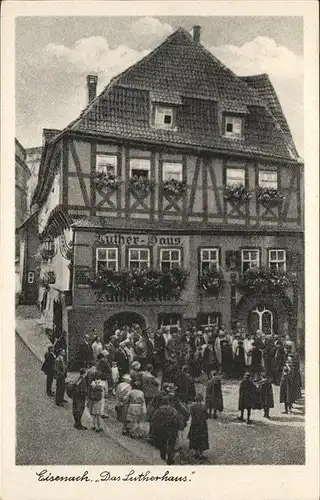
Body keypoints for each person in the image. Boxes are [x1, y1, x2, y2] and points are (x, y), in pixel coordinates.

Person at [149, 394, 180, 465]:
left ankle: (163, 455)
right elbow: (176, 420)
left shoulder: (159, 410)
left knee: (162, 442)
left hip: (162, 429)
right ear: (169, 402)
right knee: (171, 444)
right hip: (172, 429)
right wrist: (178, 427)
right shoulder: (173, 410)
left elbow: (153, 419)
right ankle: (170, 458)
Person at [188, 393, 209, 459]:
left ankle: (196, 452)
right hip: (202, 425)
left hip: (194, 425)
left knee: (194, 437)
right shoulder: (204, 407)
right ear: (202, 399)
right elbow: (207, 416)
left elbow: (191, 415)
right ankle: (201, 453)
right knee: (202, 439)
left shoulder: (192, 407)